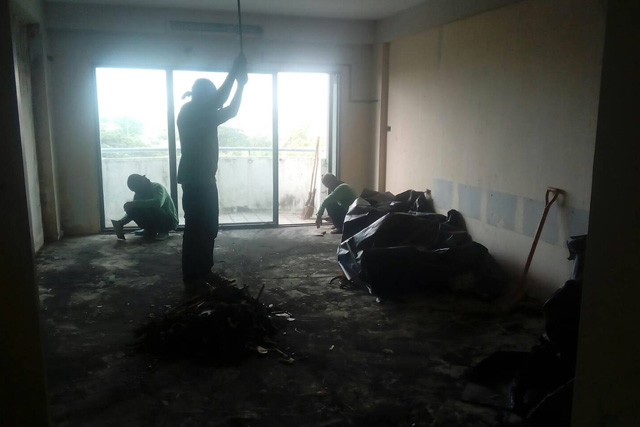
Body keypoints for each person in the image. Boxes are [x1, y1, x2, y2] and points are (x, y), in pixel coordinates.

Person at [177, 54, 248, 293]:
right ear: (201, 96)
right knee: (196, 229)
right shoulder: (190, 112)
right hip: (195, 182)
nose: (214, 101)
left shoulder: (204, 114)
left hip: (205, 181)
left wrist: (240, 85)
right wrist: (234, 72)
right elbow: (221, 99)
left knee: (209, 228)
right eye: (210, 96)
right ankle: (192, 278)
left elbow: (232, 109)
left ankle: (204, 272)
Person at [111, 174, 178, 240]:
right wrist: (121, 222)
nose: (136, 191)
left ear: (142, 182)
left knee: (152, 207)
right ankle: (150, 230)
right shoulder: (139, 193)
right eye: (135, 190)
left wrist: (134, 203)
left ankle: (163, 231)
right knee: (134, 208)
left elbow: (158, 203)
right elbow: (134, 210)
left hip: (169, 221)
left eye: (137, 188)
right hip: (156, 218)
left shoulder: (157, 187)